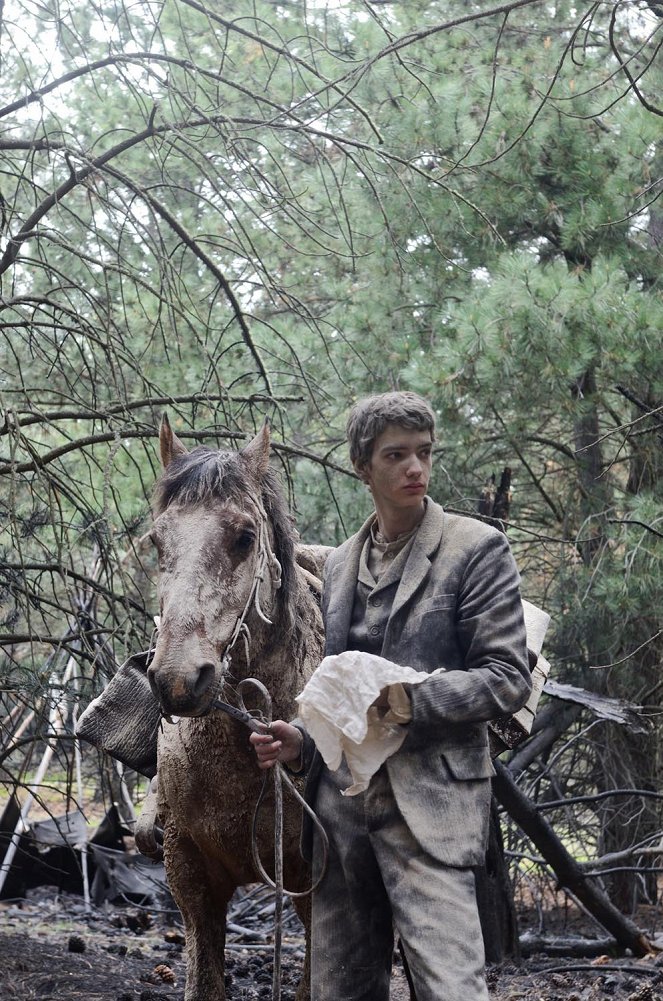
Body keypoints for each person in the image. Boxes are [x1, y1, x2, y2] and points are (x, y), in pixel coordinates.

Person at [250, 391, 532, 1001]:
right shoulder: (341, 563)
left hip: (430, 806)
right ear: (362, 465)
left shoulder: (475, 548)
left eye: (424, 454)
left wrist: (409, 701)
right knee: (340, 991)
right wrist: (302, 740)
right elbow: (337, 690)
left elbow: (508, 677)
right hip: (340, 813)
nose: (415, 469)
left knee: (452, 988)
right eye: (396, 455)